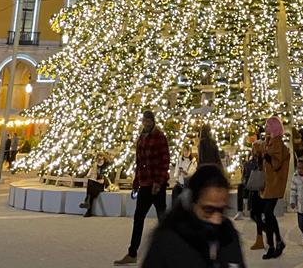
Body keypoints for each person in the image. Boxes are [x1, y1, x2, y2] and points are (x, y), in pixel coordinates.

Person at [141, 163, 244, 268]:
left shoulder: (228, 235)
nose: (216, 220)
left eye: (221, 210)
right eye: (208, 210)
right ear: (192, 204)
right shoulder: (169, 241)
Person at [114, 109, 170, 266]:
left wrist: (158, 182)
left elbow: (164, 161)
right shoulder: (141, 137)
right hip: (145, 184)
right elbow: (139, 162)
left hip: (156, 185)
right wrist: (136, 182)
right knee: (138, 218)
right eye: (144, 120)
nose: (146, 123)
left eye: (149, 120)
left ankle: (169, 251)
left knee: (162, 219)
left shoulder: (159, 137)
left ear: (153, 121)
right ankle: (132, 253)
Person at [260, 116, 288, 259]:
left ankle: (276, 242)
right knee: (267, 214)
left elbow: (277, 163)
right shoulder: (269, 141)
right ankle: (273, 244)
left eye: (267, 126)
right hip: (269, 184)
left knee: (268, 213)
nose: (265, 128)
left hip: (275, 184)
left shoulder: (277, 143)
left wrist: (267, 157)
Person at [244, 140, 266, 250]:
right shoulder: (262, 160)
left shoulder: (256, 161)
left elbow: (248, 176)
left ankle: (261, 237)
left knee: (255, 214)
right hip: (260, 191)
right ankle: (264, 234)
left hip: (257, 192)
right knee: (257, 215)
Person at [80, 151, 113, 217]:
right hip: (95, 184)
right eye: (98, 157)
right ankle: (88, 206)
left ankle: (87, 203)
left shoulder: (105, 166)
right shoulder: (94, 165)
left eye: (101, 157)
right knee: (90, 188)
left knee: (90, 190)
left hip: (102, 184)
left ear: (103, 157)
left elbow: (104, 178)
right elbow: (89, 174)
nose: (99, 158)